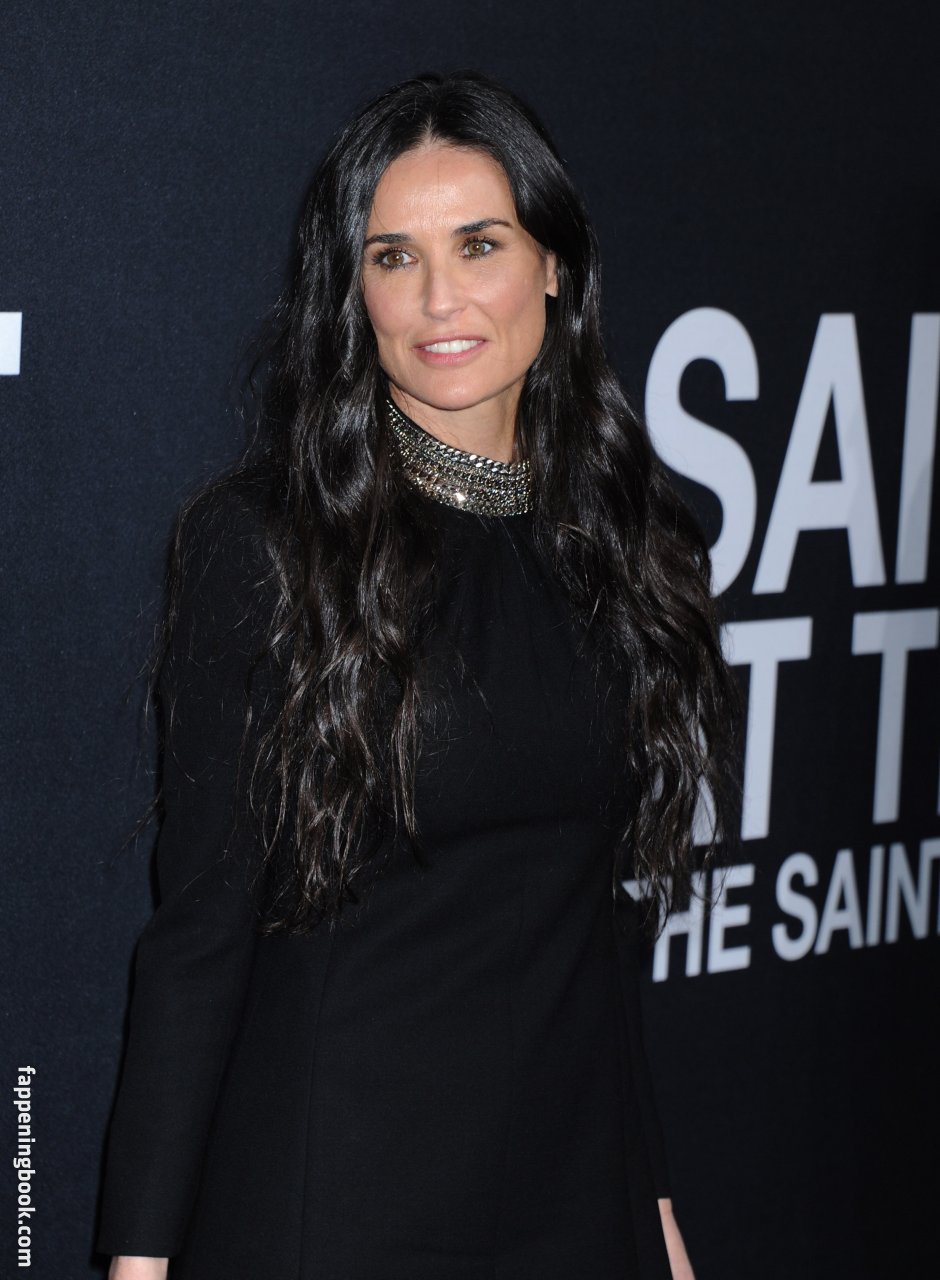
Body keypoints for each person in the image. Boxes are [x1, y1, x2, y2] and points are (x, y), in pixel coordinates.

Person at [96, 70, 742, 1280]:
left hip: (571, 1188)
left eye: (479, 245)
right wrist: (140, 1260)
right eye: (393, 257)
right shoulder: (269, 547)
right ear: (353, 291)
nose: (439, 298)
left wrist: (649, 1192)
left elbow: (598, 924)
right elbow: (200, 935)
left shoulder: (633, 542)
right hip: (336, 1193)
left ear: (555, 265)